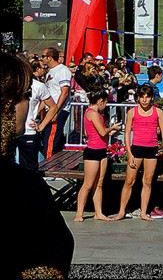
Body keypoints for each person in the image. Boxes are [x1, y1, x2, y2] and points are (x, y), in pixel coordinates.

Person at [1, 51, 75, 279]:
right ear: (8, 106)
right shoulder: (22, 185)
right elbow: (52, 254)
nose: (27, 103)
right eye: (25, 96)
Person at [111, 84, 163, 221]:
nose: (144, 100)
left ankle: (143, 212)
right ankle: (121, 211)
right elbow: (126, 134)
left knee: (148, 181)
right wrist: (129, 153)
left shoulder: (158, 112)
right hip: (137, 149)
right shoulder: (132, 112)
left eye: (147, 97)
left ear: (151, 98)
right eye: (142, 97)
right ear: (138, 98)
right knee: (129, 181)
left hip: (151, 149)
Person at [73, 90, 121, 222]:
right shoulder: (92, 113)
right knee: (88, 184)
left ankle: (98, 212)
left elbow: (98, 132)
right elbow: (101, 131)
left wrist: (108, 132)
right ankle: (79, 213)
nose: (105, 106)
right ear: (100, 101)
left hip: (101, 150)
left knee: (99, 183)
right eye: (105, 103)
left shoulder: (96, 114)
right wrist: (112, 128)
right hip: (93, 151)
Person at [16, 58, 56, 169]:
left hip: (28, 131)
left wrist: (41, 126)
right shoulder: (10, 83)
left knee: (29, 169)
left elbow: (53, 106)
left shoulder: (38, 86)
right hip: (9, 131)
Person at [40, 47, 72, 156]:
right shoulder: (50, 72)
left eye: (43, 56)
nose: (42, 59)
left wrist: (56, 110)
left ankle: (49, 167)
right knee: (47, 139)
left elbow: (64, 92)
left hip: (58, 110)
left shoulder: (62, 70)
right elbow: (48, 94)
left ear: (49, 58)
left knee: (50, 142)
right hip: (50, 110)